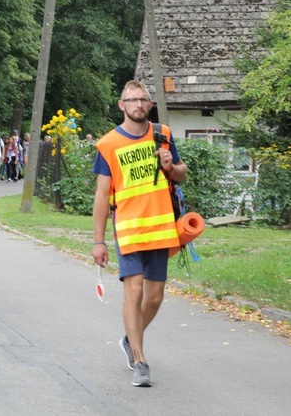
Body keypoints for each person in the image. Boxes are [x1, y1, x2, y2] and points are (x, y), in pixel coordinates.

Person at [92, 80, 187, 388]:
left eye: (143, 100)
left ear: (149, 104)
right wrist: (98, 240)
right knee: (134, 290)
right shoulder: (109, 144)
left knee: (155, 296)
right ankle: (140, 359)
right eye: (132, 100)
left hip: (160, 228)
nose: (138, 105)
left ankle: (130, 339)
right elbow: (101, 194)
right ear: (122, 105)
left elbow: (183, 175)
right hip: (129, 230)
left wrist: (172, 166)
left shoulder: (163, 135)